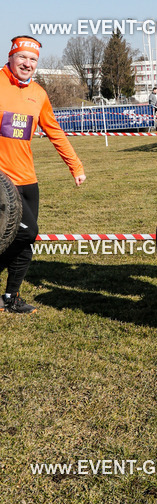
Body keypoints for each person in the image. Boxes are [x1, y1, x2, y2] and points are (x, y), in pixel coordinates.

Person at [0, 35, 86, 314]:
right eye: (22, 57)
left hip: (28, 179)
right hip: (2, 181)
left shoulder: (38, 94)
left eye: (33, 59)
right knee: (27, 231)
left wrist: (76, 165)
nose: (27, 63)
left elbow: (55, 132)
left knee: (25, 241)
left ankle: (10, 298)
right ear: (11, 57)